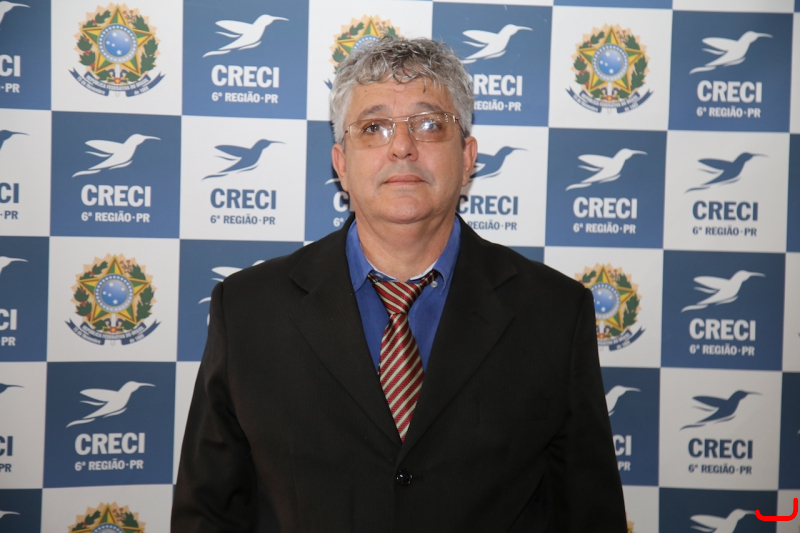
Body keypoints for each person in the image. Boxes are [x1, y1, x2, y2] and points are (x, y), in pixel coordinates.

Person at [172, 37, 626, 532]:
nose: (402, 146)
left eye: (430, 124)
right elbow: (208, 515)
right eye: (374, 128)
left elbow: (589, 515)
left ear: (467, 157)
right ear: (341, 164)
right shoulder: (249, 309)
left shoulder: (554, 312)